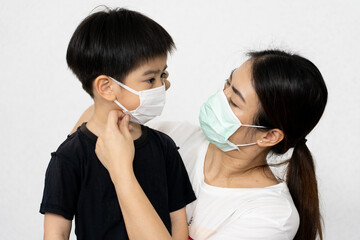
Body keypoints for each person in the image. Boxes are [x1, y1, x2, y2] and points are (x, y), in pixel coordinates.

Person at [76, 49, 327, 240]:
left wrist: (122, 173)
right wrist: (132, 94)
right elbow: (86, 140)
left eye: (234, 102)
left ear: (269, 136)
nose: (219, 99)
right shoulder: (175, 138)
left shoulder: (271, 216)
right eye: (227, 86)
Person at [39, 8, 196, 240]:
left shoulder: (164, 148)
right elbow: (56, 233)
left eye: (163, 75)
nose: (163, 86)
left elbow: (178, 223)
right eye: (151, 79)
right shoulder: (70, 156)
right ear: (106, 87)